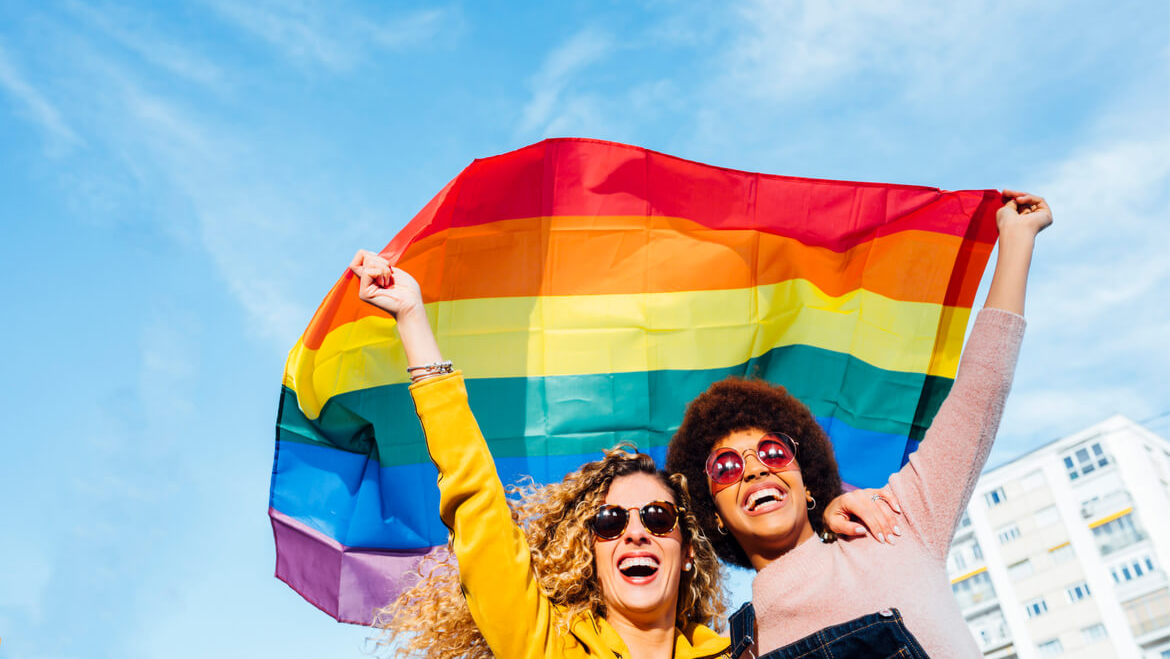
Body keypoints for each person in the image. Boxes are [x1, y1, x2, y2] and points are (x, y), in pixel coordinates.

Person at [347, 251, 903, 659]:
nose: (634, 532)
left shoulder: (745, 651)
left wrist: (823, 518)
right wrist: (412, 320)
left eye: (658, 518)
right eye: (610, 522)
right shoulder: (547, 647)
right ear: (591, 552)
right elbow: (477, 506)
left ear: (687, 551)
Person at [666, 191, 1052, 658]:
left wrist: (1016, 238)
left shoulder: (898, 525)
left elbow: (981, 390)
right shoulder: (739, 652)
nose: (754, 469)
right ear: (715, 516)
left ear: (805, 480)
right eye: (725, 467)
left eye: (772, 452)